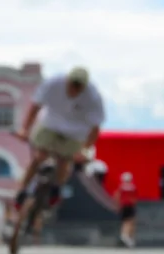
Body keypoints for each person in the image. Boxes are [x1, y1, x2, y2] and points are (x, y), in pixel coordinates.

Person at [12, 67, 105, 210]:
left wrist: (85, 149)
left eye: (78, 86)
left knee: (64, 160)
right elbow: (35, 106)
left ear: (84, 86)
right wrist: (25, 129)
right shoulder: (53, 83)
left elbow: (95, 128)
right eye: (72, 84)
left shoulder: (93, 97)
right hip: (50, 124)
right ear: (67, 80)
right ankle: (22, 190)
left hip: (75, 132)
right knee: (38, 157)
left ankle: (56, 187)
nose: (74, 89)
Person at [114, 172, 137, 248]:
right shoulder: (132, 187)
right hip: (129, 206)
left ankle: (125, 235)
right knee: (129, 221)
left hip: (124, 206)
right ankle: (125, 236)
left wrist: (117, 205)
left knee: (126, 221)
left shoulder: (121, 187)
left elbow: (116, 196)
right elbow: (134, 199)